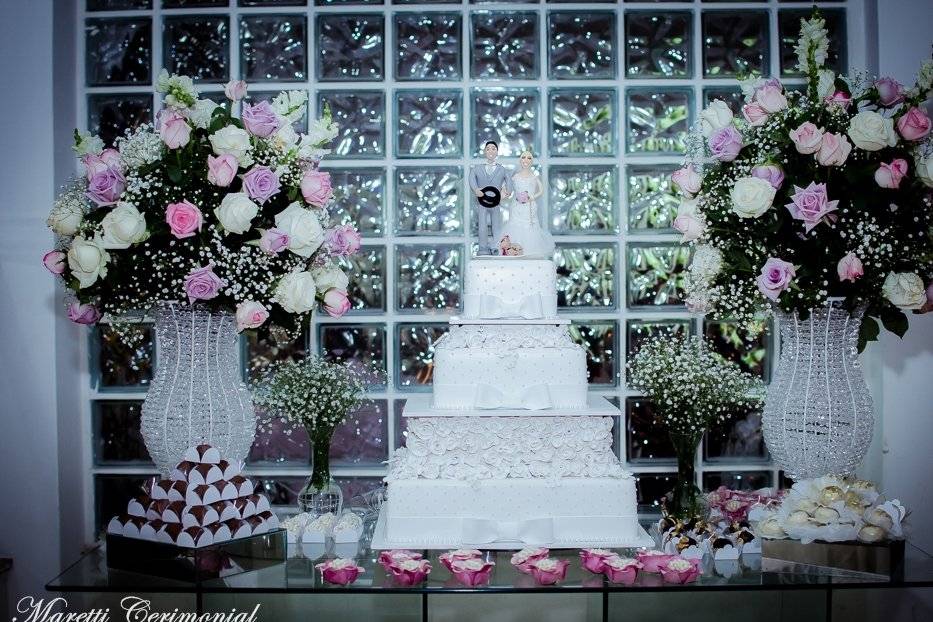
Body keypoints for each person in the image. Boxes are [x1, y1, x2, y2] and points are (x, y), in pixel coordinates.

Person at [497, 150, 554, 258]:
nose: (526, 160)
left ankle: (529, 252)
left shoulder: (534, 177)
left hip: (529, 206)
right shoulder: (515, 177)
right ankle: (513, 251)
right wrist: (502, 193)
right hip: (517, 206)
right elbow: (507, 187)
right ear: (520, 160)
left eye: (529, 158)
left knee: (530, 227)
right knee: (515, 225)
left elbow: (541, 191)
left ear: (532, 161)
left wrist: (532, 197)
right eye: (523, 157)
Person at [468, 140, 513, 255]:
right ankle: (483, 248)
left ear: (497, 152)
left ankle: (496, 246)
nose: (491, 151)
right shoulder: (477, 168)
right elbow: (472, 178)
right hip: (482, 202)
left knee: (496, 226)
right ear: (484, 152)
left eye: (493, 148)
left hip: (496, 202)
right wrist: (476, 189)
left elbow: (509, 180)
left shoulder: (502, 169)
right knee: (482, 225)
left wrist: (507, 192)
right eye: (488, 149)